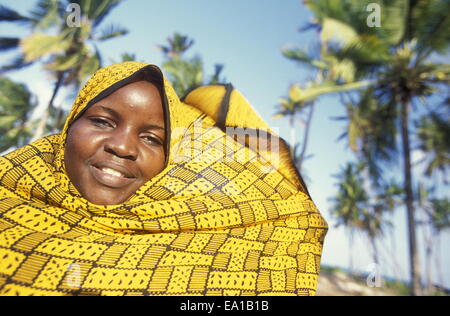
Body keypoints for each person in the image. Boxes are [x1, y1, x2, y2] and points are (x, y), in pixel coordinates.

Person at [0, 62, 327, 296]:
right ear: (70, 125)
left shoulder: (179, 255)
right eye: (102, 121)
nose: (123, 146)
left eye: (152, 139)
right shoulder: (10, 187)